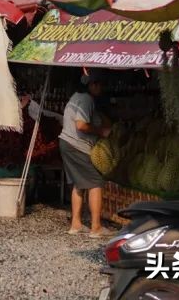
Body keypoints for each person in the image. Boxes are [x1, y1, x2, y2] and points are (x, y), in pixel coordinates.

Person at [59, 69, 111, 237]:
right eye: (100, 84)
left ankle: (76, 224)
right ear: (92, 85)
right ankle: (96, 227)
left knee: (78, 184)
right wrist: (100, 132)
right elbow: (81, 125)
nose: (102, 88)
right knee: (96, 182)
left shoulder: (76, 97)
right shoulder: (87, 99)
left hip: (66, 143)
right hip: (77, 145)